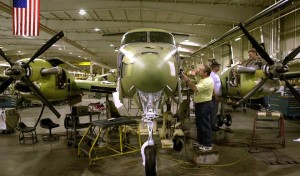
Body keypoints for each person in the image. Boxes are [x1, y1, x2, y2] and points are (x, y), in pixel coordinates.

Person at [182, 64, 214, 151]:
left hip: (205, 105)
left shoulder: (208, 81)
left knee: (204, 125)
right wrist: (193, 72)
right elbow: (194, 75)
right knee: (199, 125)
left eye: (200, 70)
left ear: (205, 73)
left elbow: (195, 88)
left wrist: (187, 80)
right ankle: (201, 142)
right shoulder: (202, 78)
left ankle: (207, 144)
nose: (198, 70)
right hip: (200, 105)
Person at [210, 61, 221, 131]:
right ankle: (212, 126)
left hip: (215, 96)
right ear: (214, 67)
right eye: (218, 66)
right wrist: (216, 95)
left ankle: (212, 125)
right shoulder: (212, 75)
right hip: (214, 97)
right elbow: (212, 86)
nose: (219, 68)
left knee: (214, 111)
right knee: (213, 112)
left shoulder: (215, 75)